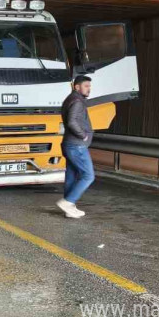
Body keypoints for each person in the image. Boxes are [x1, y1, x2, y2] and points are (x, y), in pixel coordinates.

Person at [57, 75, 95, 219]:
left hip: (69, 144)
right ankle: (68, 202)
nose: (89, 89)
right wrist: (83, 135)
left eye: (89, 86)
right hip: (76, 145)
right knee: (88, 175)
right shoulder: (77, 101)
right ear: (77, 87)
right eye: (86, 86)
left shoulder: (69, 99)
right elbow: (72, 122)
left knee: (71, 176)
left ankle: (69, 208)